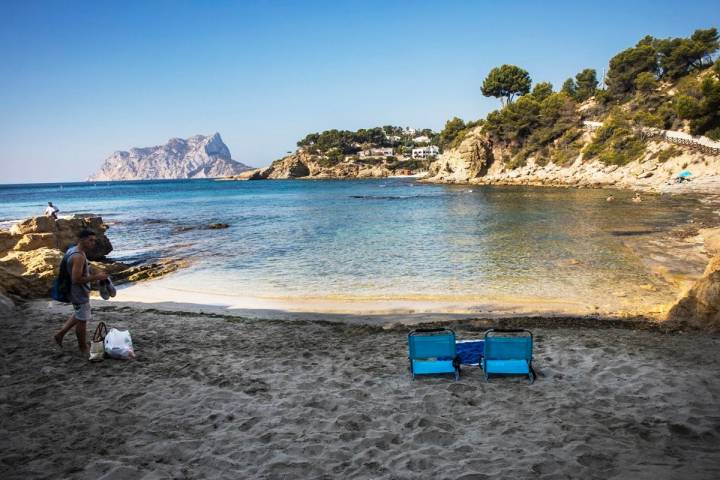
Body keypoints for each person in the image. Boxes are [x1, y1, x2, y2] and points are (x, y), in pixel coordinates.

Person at [53, 229, 107, 354]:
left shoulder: (74, 250)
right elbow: (76, 279)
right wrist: (97, 277)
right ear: (82, 240)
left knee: (79, 314)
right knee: (82, 321)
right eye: (90, 240)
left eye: (94, 240)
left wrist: (92, 271)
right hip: (78, 292)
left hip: (75, 291)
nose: (93, 243)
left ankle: (60, 334)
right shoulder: (78, 256)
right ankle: (83, 347)